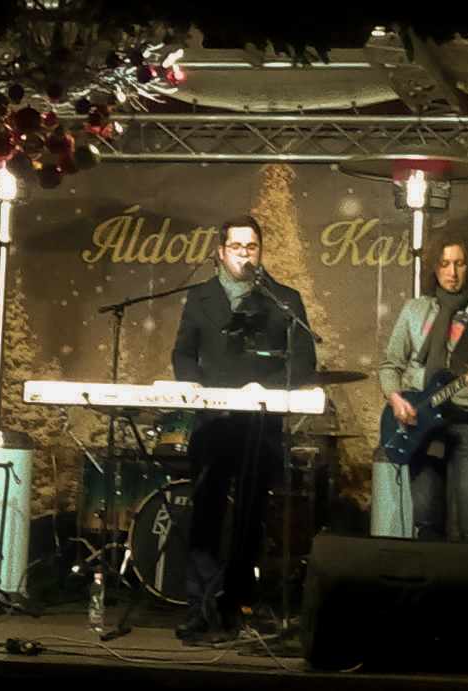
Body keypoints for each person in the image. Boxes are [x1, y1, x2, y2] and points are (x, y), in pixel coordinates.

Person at [171, 215, 316, 640]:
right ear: (220, 252)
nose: (244, 254)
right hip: (213, 422)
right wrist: (191, 383)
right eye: (236, 247)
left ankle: (237, 604)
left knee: (251, 516)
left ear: (260, 251)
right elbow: (183, 352)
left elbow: (304, 360)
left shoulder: (283, 300)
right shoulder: (200, 297)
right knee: (207, 512)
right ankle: (198, 606)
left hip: (260, 425)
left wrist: (267, 388)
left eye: (251, 247)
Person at [379, 231, 468, 542]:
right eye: (445, 264)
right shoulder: (415, 310)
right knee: (427, 521)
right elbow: (390, 365)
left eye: (459, 264)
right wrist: (396, 398)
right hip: (420, 422)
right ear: (434, 269)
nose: (452, 272)